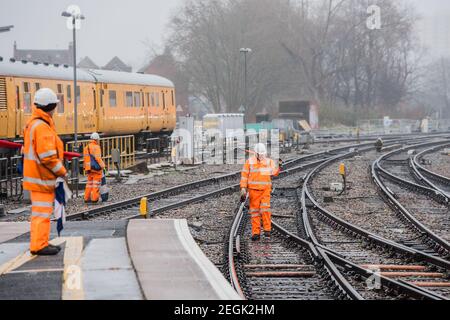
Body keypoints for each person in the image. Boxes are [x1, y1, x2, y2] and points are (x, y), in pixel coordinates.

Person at [23, 88, 68, 256]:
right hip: (41, 178)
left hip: (37, 177)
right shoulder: (42, 126)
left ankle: (40, 242)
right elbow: (48, 157)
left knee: (40, 214)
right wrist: (63, 171)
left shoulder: (34, 124)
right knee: (42, 214)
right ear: (51, 106)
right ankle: (39, 245)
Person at [240, 143, 282, 241]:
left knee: (265, 209)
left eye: (263, 154)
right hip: (253, 191)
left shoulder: (269, 162)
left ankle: (267, 230)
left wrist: (279, 166)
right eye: (260, 154)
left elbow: (274, 173)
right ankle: (256, 233)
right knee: (254, 212)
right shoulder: (249, 162)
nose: (262, 155)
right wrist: (243, 188)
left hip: (265, 190)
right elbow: (244, 176)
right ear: (256, 153)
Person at [83, 132, 105, 204]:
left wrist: (86, 167)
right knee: (95, 184)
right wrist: (103, 166)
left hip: (89, 169)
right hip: (96, 169)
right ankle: (94, 199)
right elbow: (98, 158)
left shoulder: (86, 147)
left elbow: (85, 159)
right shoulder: (96, 147)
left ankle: (86, 198)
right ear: (96, 139)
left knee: (89, 184)